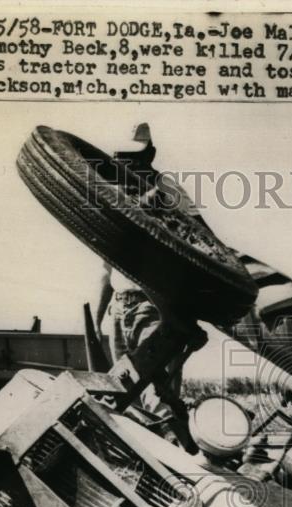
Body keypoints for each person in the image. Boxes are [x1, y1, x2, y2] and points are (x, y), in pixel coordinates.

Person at [94, 123, 185, 418]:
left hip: (154, 306)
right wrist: (98, 319)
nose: (126, 164)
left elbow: (200, 245)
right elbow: (107, 269)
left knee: (157, 394)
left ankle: (170, 452)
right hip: (119, 310)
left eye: (134, 158)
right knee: (122, 394)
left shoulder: (171, 193)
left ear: (151, 155)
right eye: (121, 157)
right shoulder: (115, 201)